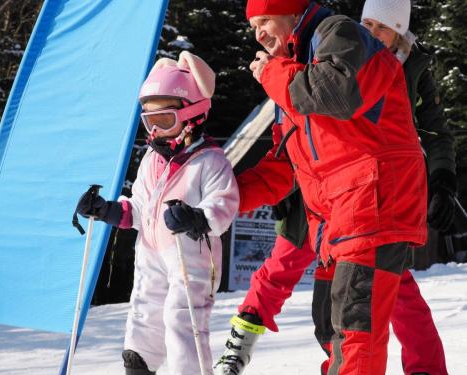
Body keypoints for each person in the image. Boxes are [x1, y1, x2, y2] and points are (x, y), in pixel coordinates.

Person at [214, 0, 431, 374]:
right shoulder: (295, 72)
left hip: (372, 204)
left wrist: (272, 75)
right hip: (336, 220)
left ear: (292, 13)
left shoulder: (339, 33)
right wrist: (219, 201)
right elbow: (285, 165)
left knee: (353, 328)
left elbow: (336, 93)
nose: (259, 33)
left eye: (265, 20)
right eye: (252, 27)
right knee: (330, 327)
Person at [77, 51, 239, 375]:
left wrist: (198, 217)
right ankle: (140, 366)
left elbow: (225, 203)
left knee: (181, 318)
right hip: (151, 251)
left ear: (192, 115)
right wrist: (108, 210)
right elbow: (139, 207)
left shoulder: (210, 161)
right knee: (144, 310)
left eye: (164, 120)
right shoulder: (152, 161)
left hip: (191, 256)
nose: (155, 130)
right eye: (149, 121)